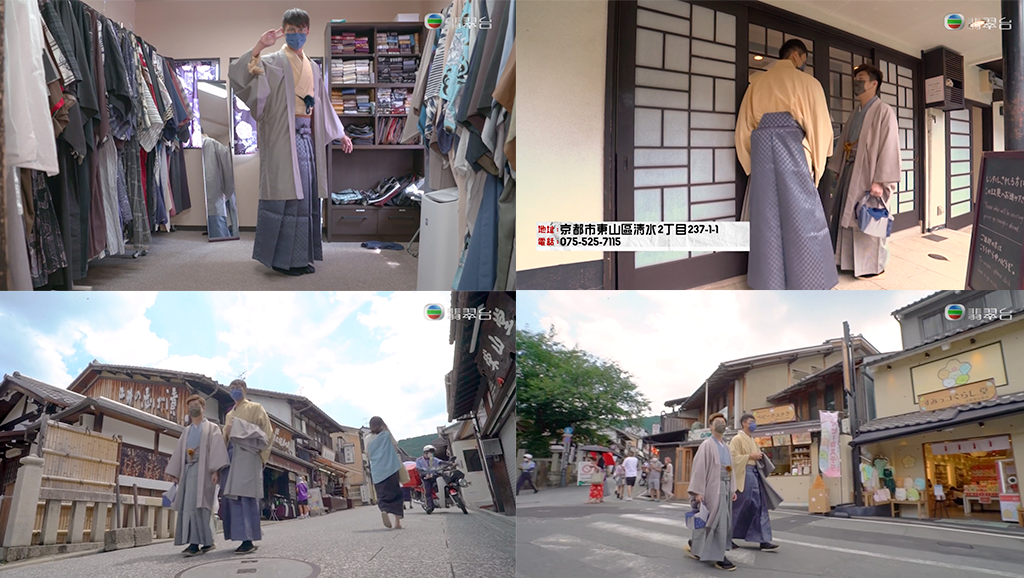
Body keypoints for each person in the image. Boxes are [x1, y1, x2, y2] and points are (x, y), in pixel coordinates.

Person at [228, 9, 353, 277]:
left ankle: (302, 256)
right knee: (286, 197)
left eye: (301, 30)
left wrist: (340, 133)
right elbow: (241, 75)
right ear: (284, 31)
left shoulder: (314, 66)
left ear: (308, 31)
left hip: (306, 137)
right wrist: (261, 45)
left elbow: (323, 104)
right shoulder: (272, 60)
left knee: (306, 197)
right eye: (291, 30)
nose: (297, 35)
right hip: (281, 136)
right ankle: (281, 260)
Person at [736, 39, 837, 290]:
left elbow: (745, 127)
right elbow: (819, 125)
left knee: (766, 218)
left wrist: (751, 161)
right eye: (804, 59)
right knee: (803, 216)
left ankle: (768, 280)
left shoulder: (757, 83)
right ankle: (807, 280)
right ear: (796, 56)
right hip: (794, 148)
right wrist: (817, 162)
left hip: (761, 150)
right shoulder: (808, 83)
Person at [828, 63, 901, 278]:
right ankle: (846, 261)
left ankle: (870, 266)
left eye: (861, 79)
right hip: (850, 169)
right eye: (856, 79)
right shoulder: (856, 112)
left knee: (867, 219)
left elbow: (889, 146)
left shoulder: (884, 111)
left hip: (870, 174)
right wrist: (839, 167)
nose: (857, 83)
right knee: (848, 216)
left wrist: (880, 180)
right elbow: (844, 143)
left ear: (873, 84)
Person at [166, 395, 230, 557]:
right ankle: (194, 543)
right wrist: (176, 473)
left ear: (203, 408)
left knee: (202, 507)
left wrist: (216, 471)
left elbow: (217, 449)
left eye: (196, 405)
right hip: (188, 471)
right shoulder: (186, 431)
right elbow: (179, 452)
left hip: (205, 471)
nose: (193, 408)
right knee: (188, 507)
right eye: (191, 406)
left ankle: (207, 542)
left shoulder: (212, 428)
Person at [221, 379, 272, 555]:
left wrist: (261, 458)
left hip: (249, 456)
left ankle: (249, 538)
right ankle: (239, 536)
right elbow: (224, 440)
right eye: (232, 388)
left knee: (247, 496)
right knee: (234, 498)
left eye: (238, 387)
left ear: (245, 390)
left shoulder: (256, 408)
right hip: (232, 456)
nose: (235, 390)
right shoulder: (229, 414)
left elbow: (267, 434)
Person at [685, 413, 738, 572]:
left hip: (724, 487)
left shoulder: (726, 447)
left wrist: (732, 488)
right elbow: (699, 469)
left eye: (723, 422)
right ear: (711, 427)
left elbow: (730, 468)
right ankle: (718, 556)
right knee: (714, 520)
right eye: (718, 422)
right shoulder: (706, 445)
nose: (721, 424)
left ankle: (696, 544)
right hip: (711, 488)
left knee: (718, 520)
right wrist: (698, 491)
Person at [729, 414, 779, 551]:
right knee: (740, 505)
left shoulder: (752, 440)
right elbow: (732, 458)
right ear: (744, 423)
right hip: (744, 473)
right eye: (751, 422)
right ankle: (728, 536)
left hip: (754, 473)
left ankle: (763, 540)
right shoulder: (737, 439)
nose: (753, 424)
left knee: (759, 506)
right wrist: (750, 456)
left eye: (754, 422)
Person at [365, 417, 405, 529]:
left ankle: (384, 510)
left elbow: (367, 454)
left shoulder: (368, 438)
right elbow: (395, 447)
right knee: (396, 493)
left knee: (382, 494)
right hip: (391, 468)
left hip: (378, 471)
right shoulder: (386, 435)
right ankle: (397, 522)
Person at [416, 445, 451, 513]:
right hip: (426, 478)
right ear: (425, 452)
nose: (431, 454)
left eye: (432, 452)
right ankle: (429, 506)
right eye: (430, 452)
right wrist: (426, 474)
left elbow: (441, 462)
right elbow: (419, 470)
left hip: (434, 476)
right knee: (428, 491)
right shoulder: (419, 460)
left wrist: (451, 464)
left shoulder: (434, 459)